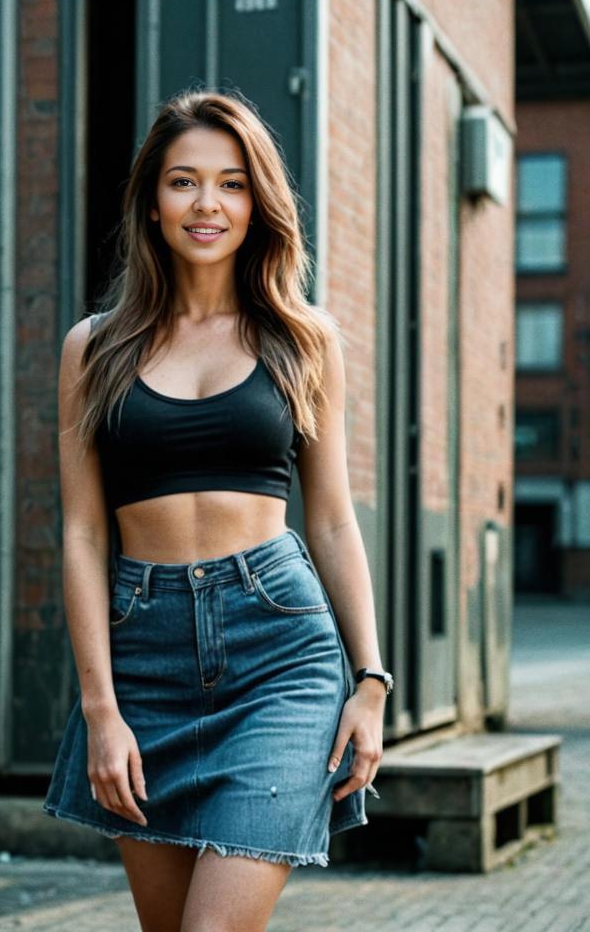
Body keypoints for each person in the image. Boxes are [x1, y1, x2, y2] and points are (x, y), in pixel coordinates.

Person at [42, 87, 390, 931]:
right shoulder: (95, 346)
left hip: (280, 649)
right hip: (142, 651)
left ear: (257, 203)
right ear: (152, 204)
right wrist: (101, 710)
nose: (208, 204)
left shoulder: (303, 338)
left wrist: (372, 679)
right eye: (184, 182)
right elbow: (86, 533)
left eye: (232, 184)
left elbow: (334, 519)